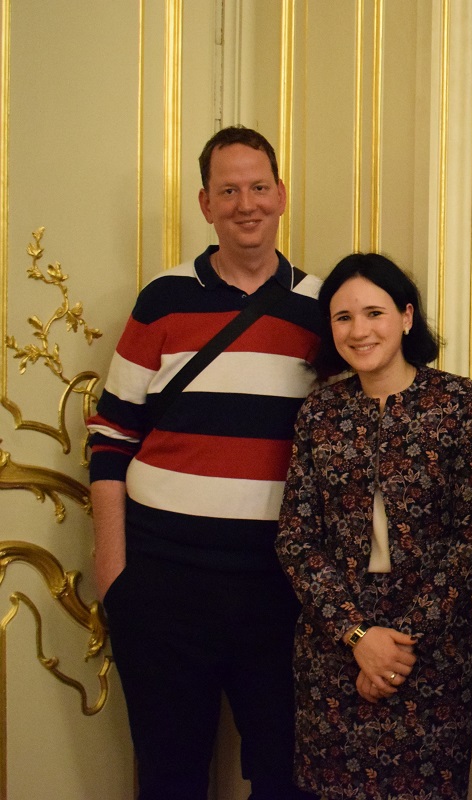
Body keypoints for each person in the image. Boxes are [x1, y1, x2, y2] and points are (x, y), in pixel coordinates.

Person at [87, 126, 321, 798]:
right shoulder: (162, 299)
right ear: (205, 203)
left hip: (278, 588)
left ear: (281, 195)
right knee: (171, 777)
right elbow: (111, 437)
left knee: (287, 774)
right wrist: (115, 575)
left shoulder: (321, 308)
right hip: (163, 582)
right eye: (228, 191)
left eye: (258, 187)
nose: (246, 204)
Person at [276, 252, 472, 800]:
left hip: (434, 653)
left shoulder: (456, 402)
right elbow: (297, 539)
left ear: (406, 316)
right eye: (343, 317)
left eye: (374, 313)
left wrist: (398, 645)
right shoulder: (319, 412)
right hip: (333, 652)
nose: (359, 330)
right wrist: (357, 636)